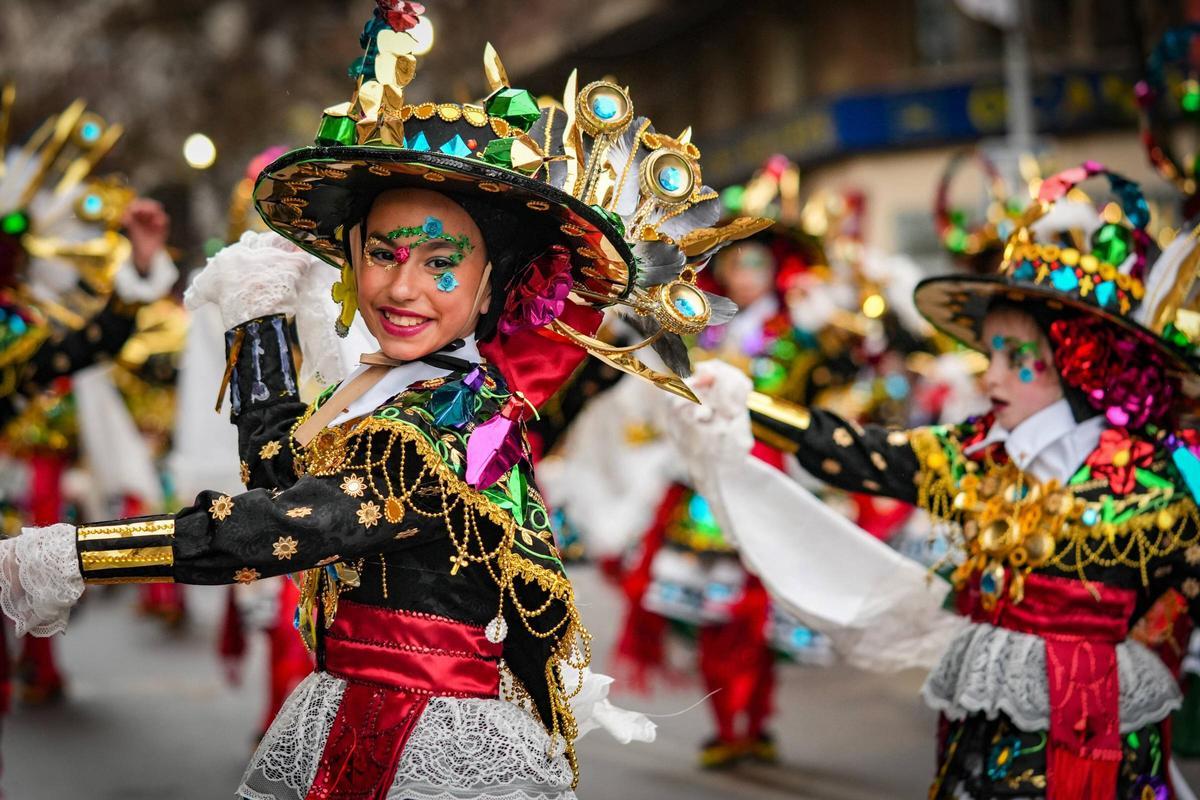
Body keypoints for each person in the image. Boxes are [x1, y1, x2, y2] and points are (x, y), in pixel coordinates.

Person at [0, 5, 765, 797]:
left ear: (490, 286)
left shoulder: (438, 424)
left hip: (421, 738)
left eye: (440, 263)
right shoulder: (404, 392)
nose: (401, 288)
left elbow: (279, 530)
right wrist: (260, 320)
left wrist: (76, 556)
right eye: (383, 254)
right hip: (361, 713)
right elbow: (283, 479)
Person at [666, 162, 1200, 798]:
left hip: (1098, 737)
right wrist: (744, 404)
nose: (991, 376)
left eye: (1017, 359)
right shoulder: (975, 452)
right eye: (990, 353)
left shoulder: (1154, 483)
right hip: (984, 728)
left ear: (1078, 365)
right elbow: (859, 453)